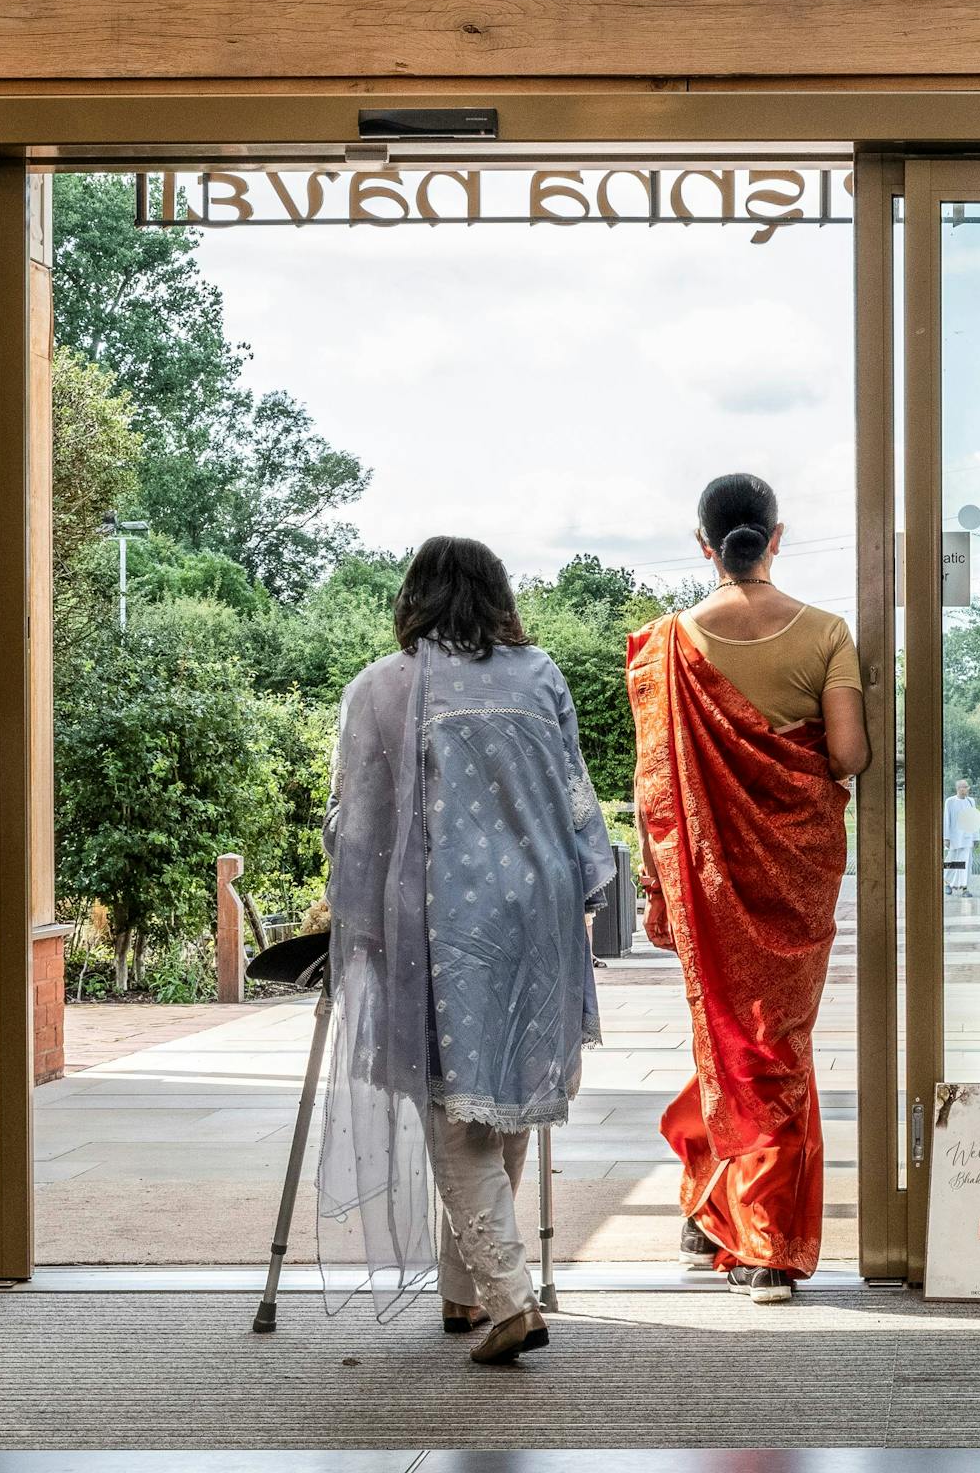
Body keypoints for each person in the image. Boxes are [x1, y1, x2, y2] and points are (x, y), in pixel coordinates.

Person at [317, 536, 613, 1367]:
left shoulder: (381, 687)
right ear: (497, 596)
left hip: (446, 924)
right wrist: (582, 892)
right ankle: (465, 1290)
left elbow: (361, 827)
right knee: (508, 1092)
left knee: (455, 1105)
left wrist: (354, 909)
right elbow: (576, 799)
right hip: (543, 912)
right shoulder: (541, 674)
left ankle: (512, 1301)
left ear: (412, 596)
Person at [631, 473, 866, 1302]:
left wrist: (660, 881)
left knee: (734, 1035)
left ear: (704, 543)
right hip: (797, 867)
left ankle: (705, 1189)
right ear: (778, 536)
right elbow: (848, 758)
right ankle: (764, 1244)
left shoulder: (665, 645)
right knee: (775, 1046)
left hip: (710, 876)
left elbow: (652, 786)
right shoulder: (828, 633)